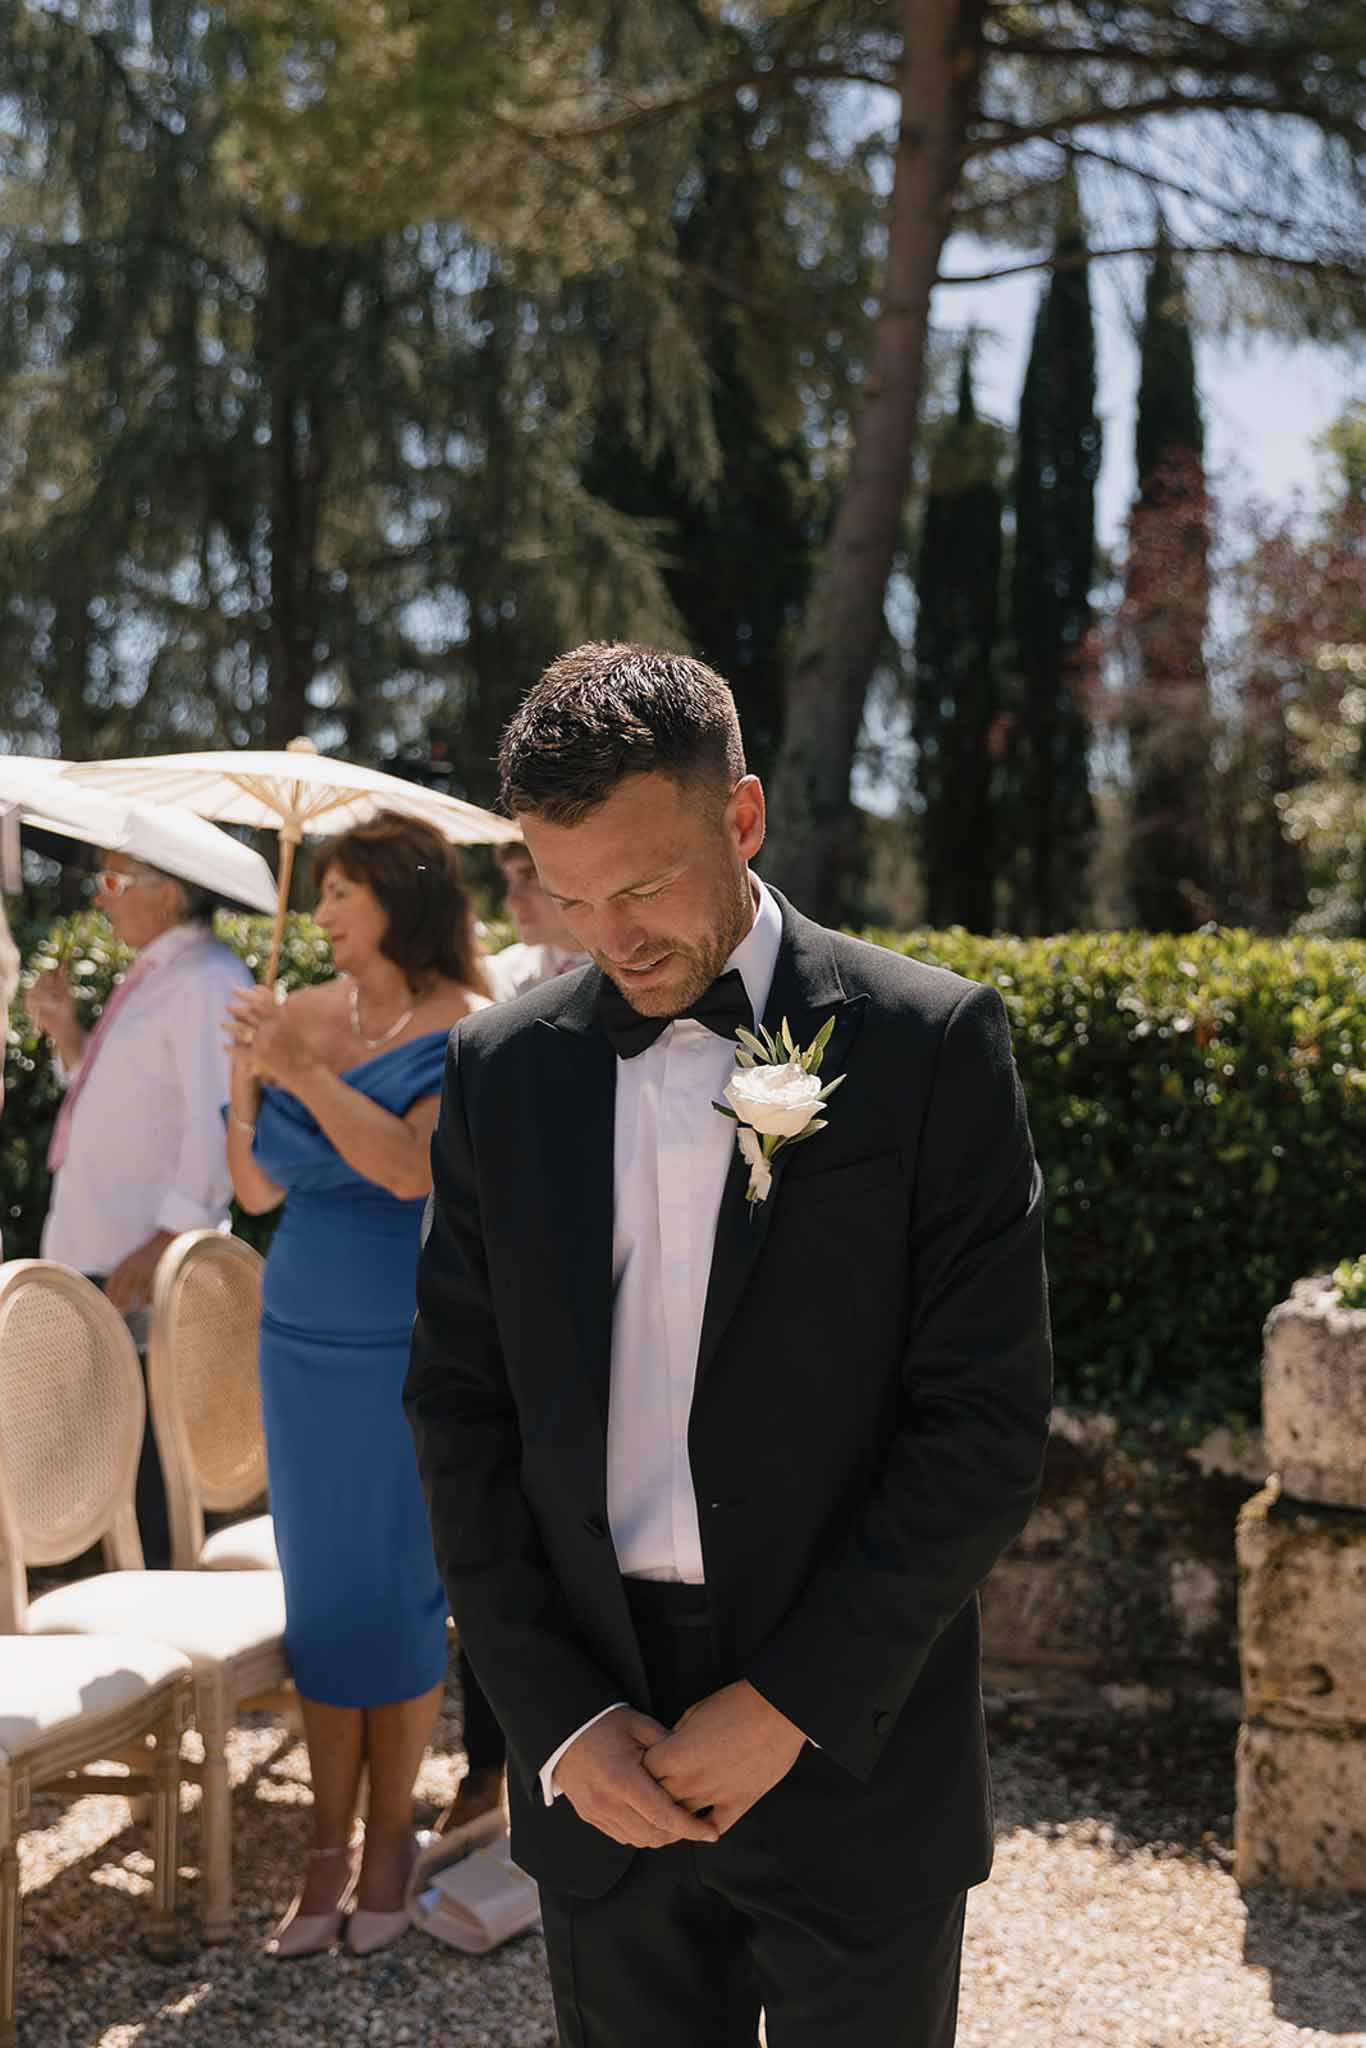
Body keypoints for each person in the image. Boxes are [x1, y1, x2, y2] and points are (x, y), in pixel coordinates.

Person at [406, 644, 1053, 2048]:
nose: (609, 939)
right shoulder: (498, 1073)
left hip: (852, 1741)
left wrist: (785, 1707)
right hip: (601, 1752)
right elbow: (459, 1416)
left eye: (642, 889)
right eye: (568, 899)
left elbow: (985, 1429)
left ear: (743, 818)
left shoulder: (928, 1043)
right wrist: (561, 1726)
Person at [224, 811, 490, 1960]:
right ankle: (324, 1849)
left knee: (398, 1589)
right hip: (296, 1342)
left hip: (405, 1343)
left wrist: (296, 1071)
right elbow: (254, 1188)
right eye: (318, 892)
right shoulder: (298, 1014)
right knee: (322, 1594)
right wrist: (245, 1080)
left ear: (400, 896)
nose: (323, 913)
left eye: (343, 892)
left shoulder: (469, 1027)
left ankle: (389, 1842)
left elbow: (406, 1167)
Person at [24, 854, 251, 1561]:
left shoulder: (209, 978)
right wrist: (68, 1036)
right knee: (107, 1460)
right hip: (103, 1248)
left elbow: (218, 1120)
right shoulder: (161, 971)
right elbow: (131, 1099)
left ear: (171, 893)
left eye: (117, 884)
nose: (100, 897)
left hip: (141, 1261)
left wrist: (167, 1243)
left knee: (154, 1471)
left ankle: (171, 1630)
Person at [481, 839, 589, 1001]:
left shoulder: (633, 964)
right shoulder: (499, 975)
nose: (512, 902)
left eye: (530, 876)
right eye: (509, 881)